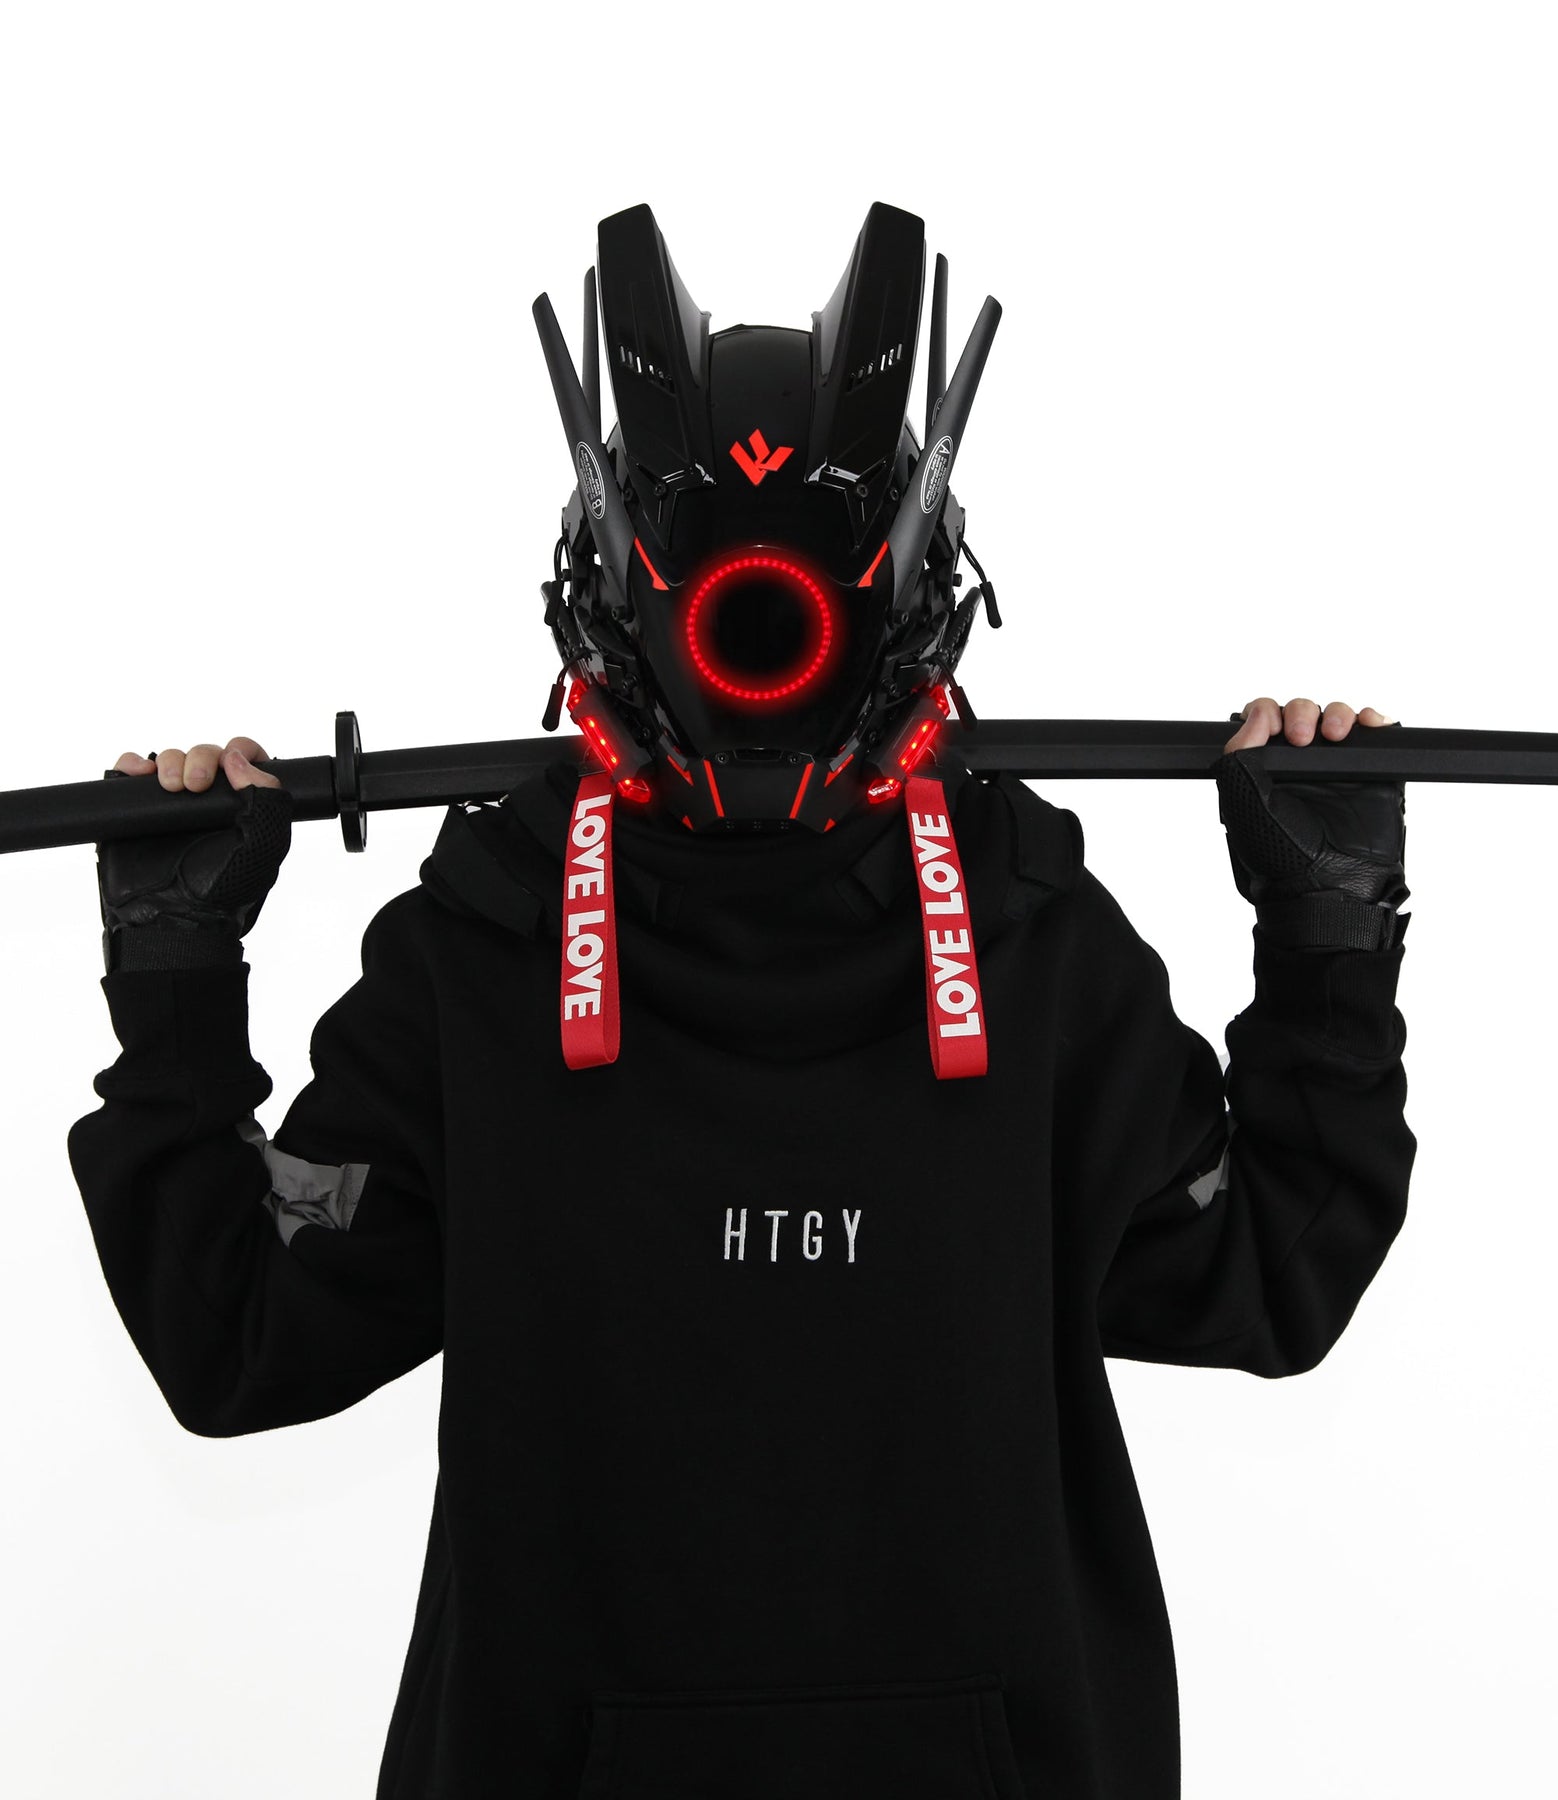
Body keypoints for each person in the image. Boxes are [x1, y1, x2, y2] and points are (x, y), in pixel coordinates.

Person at [68, 204, 1413, 1800]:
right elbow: (240, 1339)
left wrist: (1325, 926)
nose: (760, 651)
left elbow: (1264, 1276)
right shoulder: (489, 946)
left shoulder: (1024, 935)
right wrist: (176, 971)